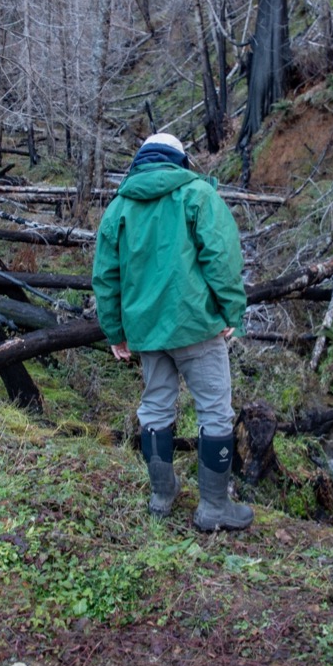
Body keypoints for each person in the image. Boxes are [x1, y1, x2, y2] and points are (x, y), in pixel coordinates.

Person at [92, 132, 254, 532]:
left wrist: (115, 332)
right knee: (214, 411)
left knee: (156, 409)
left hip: (147, 333)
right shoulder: (197, 194)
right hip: (197, 325)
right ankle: (214, 508)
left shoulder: (119, 208)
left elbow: (105, 277)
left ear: (141, 160)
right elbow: (221, 256)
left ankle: (161, 497)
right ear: (180, 160)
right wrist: (232, 309)